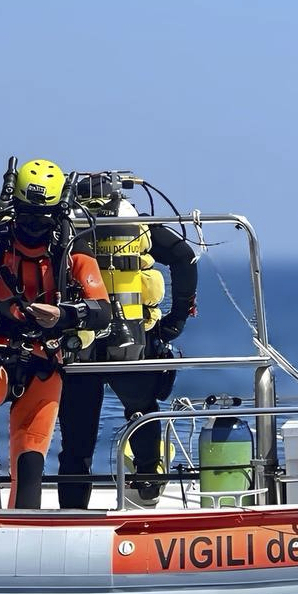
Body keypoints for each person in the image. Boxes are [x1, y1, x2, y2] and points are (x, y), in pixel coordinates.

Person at [0, 159, 110, 512]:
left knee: (30, 459)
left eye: (40, 218)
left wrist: (62, 315)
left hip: (43, 361)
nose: (31, 227)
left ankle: (23, 521)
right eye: (25, 215)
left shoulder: (72, 251)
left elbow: (102, 309)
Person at [56, 172, 197, 509]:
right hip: (132, 340)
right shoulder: (140, 227)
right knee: (142, 413)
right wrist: (176, 319)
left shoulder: (65, 227)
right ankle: (148, 480)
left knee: (76, 440)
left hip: (80, 345)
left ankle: (72, 512)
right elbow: (184, 257)